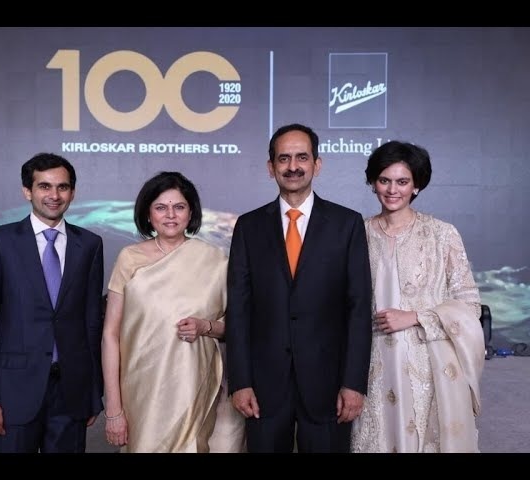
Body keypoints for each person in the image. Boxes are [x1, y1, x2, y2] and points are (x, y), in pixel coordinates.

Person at [226, 123, 373, 453]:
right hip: (262, 387)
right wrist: (240, 381)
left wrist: (353, 383)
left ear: (317, 164)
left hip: (329, 385)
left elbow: (359, 308)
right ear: (271, 167)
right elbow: (238, 310)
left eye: (302, 157)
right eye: (284, 158)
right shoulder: (248, 227)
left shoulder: (347, 224)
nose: (293, 166)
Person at [351, 141, 485, 453]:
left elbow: (470, 304)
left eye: (402, 182)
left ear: (417, 186)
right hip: (371, 363)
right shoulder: (358, 233)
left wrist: (415, 317)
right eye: (384, 180)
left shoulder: (442, 234)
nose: (392, 190)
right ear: (373, 183)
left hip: (428, 363)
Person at [0, 153, 104, 453]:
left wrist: (94, 391)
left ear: (72, 192)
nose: (54, 195)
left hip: (72, 392)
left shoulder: (90, 244)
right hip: (13, 391)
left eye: (62, 187)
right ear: (27, 191)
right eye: (44, 186)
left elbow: (92, 323)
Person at [102, 171, 245, 453]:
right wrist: (114, 409)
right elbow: (110, 335)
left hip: (194, 387)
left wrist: (204, 326)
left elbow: (235, 326)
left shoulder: (215, 260)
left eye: (179, 207)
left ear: (191, 213)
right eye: (160, 207)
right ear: (148, 213)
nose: (170, 215)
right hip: (142, 392)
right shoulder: (130, 259)